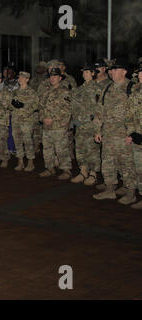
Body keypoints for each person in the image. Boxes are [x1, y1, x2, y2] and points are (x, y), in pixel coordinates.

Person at [93, 61, 137, 205]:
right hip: (108, 134)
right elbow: (100, 111)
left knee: (127, 165)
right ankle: (110, 189)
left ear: (124, 72)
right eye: (111, 70)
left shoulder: (132, 87)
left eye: (115, 70)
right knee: (108, 163)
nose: (112, 72)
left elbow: (137, 113)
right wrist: (97, 130)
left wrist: (133, 134)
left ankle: (130, 192)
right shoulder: (107, 88)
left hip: (124, 135)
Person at [38, 68, 72, 180]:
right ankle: (49, 168)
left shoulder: (64, 91)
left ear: (60, 78)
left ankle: (66, 170)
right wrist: (43, 118)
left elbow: (67, 110)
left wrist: (52, 118)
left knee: (61, 149)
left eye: (55, 76)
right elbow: (41, 107)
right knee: (47, 149)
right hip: (47, 126)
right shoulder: (46, 92)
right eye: (51, 77)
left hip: (59, 126)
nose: (52, 79)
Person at [70, 64, 101, 186]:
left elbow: (99, 108)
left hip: (91, 125)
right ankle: (83, 172)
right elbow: (74, 108)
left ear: (93, 73)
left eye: (87, 72)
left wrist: (96, 125)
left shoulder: (97, 89)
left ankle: (93, 173)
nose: (85, 74)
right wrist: (75, 122)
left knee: (92, 150)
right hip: (80, 124)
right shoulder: (79, 89)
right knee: (80, 149)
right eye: (84, 72)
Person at [10, 72, 39, 172]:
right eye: (19, 77)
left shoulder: (31, 92)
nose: (20, 79)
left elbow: (36, 105)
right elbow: (10, 105)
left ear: (27, 79)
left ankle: (30, 162)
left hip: (26, 120)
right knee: (17, 140)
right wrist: (12, 104)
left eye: (23, 77)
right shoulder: (15, 91)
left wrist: (24, 106)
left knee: (27, 141)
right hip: (15, 119)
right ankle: (20, 161)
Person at [125, 64, 142, 209]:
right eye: (140, 74)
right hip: (137, 137)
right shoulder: (135, 92)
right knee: (138, 168)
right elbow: (129, 115)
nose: (140, 76)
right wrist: (131, 133)